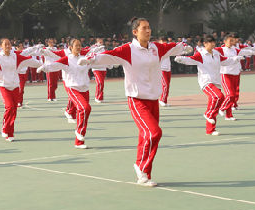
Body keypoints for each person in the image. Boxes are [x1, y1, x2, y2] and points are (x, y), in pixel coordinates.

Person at [80, 18, 187, 187]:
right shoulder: (128, 49)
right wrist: (90, 60)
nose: (148, 30)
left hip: (153, 100)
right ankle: (140, 167)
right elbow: (109, 56)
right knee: (154, 133)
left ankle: (144, 174)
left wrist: (184, 47)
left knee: (147, 137)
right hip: (137, 100)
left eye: (149, 27)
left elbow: (171, 47)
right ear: (135, 32)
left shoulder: (155, 48)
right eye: (144, 28)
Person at [174, 36, 244, 133]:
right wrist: (180, 59)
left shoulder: (216, 53)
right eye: (210, 42)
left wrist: (236, 59)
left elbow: (225, 61)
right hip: (206, 81)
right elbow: (191, 59)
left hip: (216, 81)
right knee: (219, 96)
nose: (212, 44)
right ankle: (208, 114)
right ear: (205, 44)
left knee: (214, 103)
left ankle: (210, 129)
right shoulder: (201, 54)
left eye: (213, 42)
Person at [38, 39, 95, 148]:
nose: (78, 48)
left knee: (83, 112)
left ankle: (79, 141)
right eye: (76, 46)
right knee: (85, 108)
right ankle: (79, 133)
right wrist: (44, 67)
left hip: (84, 88)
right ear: (70, 47)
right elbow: (55, 65)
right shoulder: (67, 59)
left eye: (80, 45)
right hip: (73, 88)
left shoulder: (84, 58)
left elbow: (96, 60)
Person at [217, 35, 255, 120]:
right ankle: (222, 108)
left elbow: (243, 52)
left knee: (233, 95)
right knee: (230, 94)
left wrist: (251, 52)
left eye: (232, 41)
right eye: (230, 41)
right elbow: (210, 51)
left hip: (235, 73)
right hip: (226, 74)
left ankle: (229, 115)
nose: (232, 42)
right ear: (225, 41)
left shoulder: (234, 49)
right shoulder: (221, 49)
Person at [157, 37, 172, 107]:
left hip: (168, 69)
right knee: (165, 85)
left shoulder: (167, 48)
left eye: (165, 41)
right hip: (162, 69)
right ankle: (162, 100)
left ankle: (164, 100)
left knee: (167, 85)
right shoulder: (158, 49)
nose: (164, 42)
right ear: (159, 41)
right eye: (162, 41)